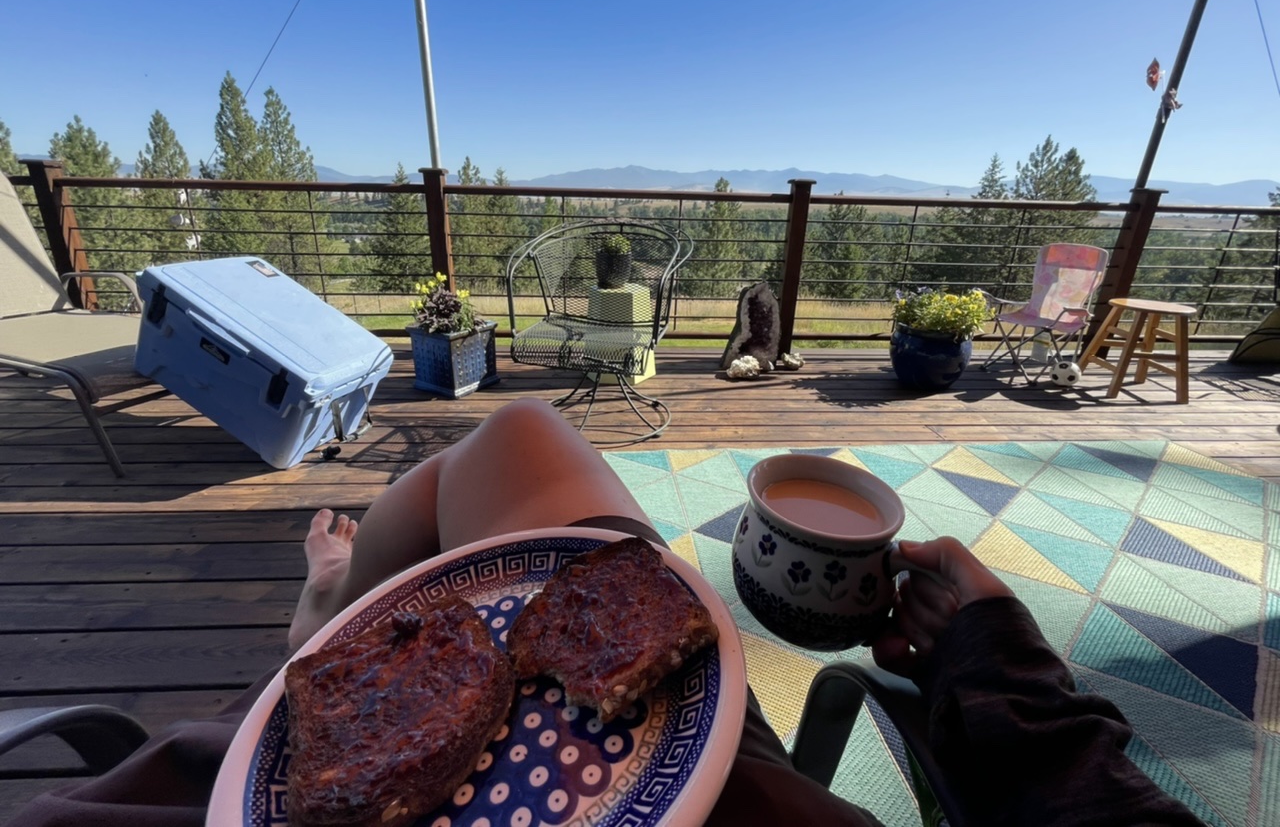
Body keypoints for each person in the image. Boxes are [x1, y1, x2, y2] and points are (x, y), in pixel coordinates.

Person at [7, 398, 1205, 827]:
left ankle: (327, 625)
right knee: (513, 455)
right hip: (687, 750)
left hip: (238, 779)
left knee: (516, 443)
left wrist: (997, 672)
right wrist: (998, 666)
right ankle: (342, 624)